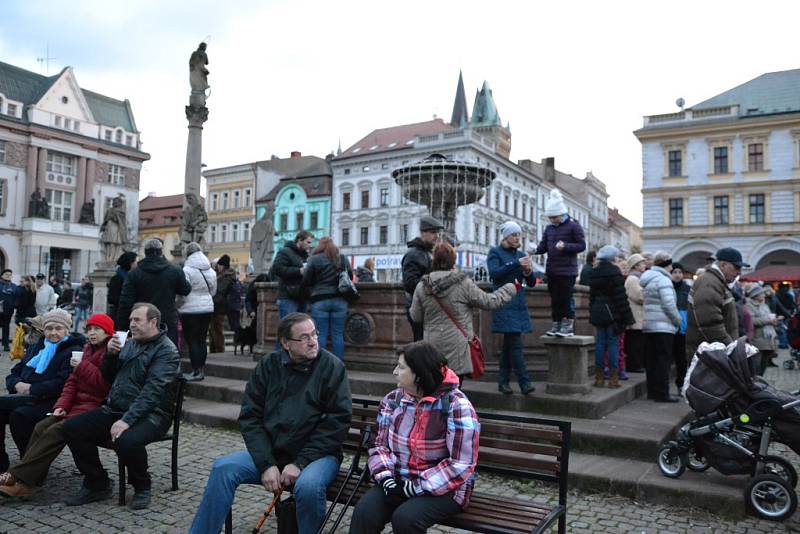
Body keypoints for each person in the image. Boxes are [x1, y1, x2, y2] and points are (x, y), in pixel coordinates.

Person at [188, 313, 352, 534]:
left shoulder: (332, 367)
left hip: (318, 456)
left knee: (308, 486)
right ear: (285, 343)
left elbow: (337, 423)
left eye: (314, 334)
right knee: (223, 468)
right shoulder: (268, 365)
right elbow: (250, 417)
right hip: (273, 452)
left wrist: (300, 462)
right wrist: (266, 464)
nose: (313, 341)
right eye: (303, 337)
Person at [349, 341, 480, 534]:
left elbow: (461, 464)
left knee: (406, 519)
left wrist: (417, 487)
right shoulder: (393, 400)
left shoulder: (456, 405)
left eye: (401, 367)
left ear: (419, 373)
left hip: (447, 488)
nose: (395, 372)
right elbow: (378, 446)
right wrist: (386, 479)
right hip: (398, 480)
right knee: (364, 513)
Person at [62, 303, 180, 510]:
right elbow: (109, 377)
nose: (131, 324)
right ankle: (97, 482)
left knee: (127, 440)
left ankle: (142, 485)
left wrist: (126, 420)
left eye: (137, 320)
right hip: (116, 407)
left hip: (153, 414)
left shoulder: (167, 351)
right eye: (130, 320)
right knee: (72, 427)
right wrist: (110, 355)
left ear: (153, 322)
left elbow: (152, 393)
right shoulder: (130, 343)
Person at [0, 313, 114, 497]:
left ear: (108, 332)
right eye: (90, 329)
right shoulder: (84, 349)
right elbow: (71, 383)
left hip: (91, 407)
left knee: (40, 424)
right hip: (70, 404)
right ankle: (29, 479)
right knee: (40, 427)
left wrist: (81, 367)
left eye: (97, 329)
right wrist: (62, 405)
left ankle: (18, 477)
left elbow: (103, 385)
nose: (92, 333)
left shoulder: (106, 354)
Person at [410, 241, 517, 382]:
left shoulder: (422, 286)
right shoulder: (463, 283)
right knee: (454, 388)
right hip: (458, 347)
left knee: (434, 388)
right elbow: (489, 301)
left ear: (434, 260)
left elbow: (416, 317)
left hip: (432, 346)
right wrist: (510, 288)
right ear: (453, 260)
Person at [1, 309, 85, 472]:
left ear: (67, 330)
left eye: (58, 328)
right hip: (25, 396)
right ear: (43, 330)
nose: (53, 333)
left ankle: (29, 464)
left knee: (19, 416)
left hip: (52, 401)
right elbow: (15, 372)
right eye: (49, 328)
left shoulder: (71, 351)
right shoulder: (38, 347)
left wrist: (33, 388)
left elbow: (61, 382)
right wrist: (17, 385)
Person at [487, 221, 537, 395]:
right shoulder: (495, 252)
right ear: (505, 236)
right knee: (515, 345)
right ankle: (525, 383)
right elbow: (494, 273)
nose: (517, 238)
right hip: (503, 303)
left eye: (518, 235)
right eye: (513, 235)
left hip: (519, 304)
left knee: (509, 346)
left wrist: (529, 272)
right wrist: (516, 264)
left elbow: (531, 283)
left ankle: (503, 382)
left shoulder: (521, 254)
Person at [117, 239, 191, 346]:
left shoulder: (134, 273)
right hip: (167, 319)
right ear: (161, 252)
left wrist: (123, 328)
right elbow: (185, 290)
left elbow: (125, 302)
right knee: (168, 353)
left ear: (145, 252)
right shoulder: (175, 270)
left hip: (142, 320)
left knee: (143, 354)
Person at [533, 189, 586, 337]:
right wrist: (534, 251)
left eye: (553, 217)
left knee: (565, 298)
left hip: (567, 271)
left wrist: (566, 246)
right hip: (552, 270)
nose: (551, 220)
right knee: (555, 299)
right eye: (550, 217)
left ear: (561, 214)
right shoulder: (549, 228)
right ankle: (556, 324)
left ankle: (567, 326)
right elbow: (544, 247)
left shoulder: (574, 226)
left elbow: (582, 246)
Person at [686, 247, 748, 362]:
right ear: (723, 265)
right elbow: (710, 324)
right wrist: (730, 347)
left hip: (713, 353)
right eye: (736, 267)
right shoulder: (710, 282)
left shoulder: (716, 281)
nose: (739, 272)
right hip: (710, 355)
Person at [588, 246, 634, 388]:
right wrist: (628, 318)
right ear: (613, 258)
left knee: (600, 344)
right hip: (613, 313)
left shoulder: (594, 272)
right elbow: (621, 298)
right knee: (613, 344)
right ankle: (613, 380)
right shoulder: (615, 273)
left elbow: (592, 296)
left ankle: (599, 378)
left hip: (598, 312)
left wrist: (592, 311)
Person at [302, 237, 354, 360]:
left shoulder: (314, 259)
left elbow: (306, 280)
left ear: (320, 246)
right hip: (340, 300)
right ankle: (338, 365)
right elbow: (350, 276)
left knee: (320, 334)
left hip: (320, 300)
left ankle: (320, 364)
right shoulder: (342, 258)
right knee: (337, 334)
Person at [640, 251, 682, 402]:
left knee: (651, 361)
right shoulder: (663, 280)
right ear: (667, 265)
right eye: (671, 265)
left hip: (649, 324)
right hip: (663, 326)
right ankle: (662, 393)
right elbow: (669, 304)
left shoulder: (648, 279)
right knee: (663, 361)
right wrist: (678, 320)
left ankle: (653, 392)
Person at [178, 242, 217, 381]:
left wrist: (180, 305)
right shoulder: (211, 270)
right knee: (202, 340)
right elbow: (213, 291)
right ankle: (201, 369)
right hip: (207, 308)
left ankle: (196, 371)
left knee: (192, 341)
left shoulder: (187, 270)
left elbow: (184, 292)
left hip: (190, 309)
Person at [402, 215, 444, 341]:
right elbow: (409, 284)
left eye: (437, 232)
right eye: (432, 232)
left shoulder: (428, 253)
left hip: (427, 307)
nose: (436, 236)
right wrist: (434, 282)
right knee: (423, 346)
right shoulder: (414, 254)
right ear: (422, 233)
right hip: (419, 308)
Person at [272, 231, 314, 319]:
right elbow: (277, 269)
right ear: (300, 240)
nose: (309, 245)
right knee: (288, 327)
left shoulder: (305, 255)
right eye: (308, 242)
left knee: (300, 328)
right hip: (287, 296)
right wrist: (299, 271)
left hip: (302, 296)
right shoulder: (285, 252)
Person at [746, 285, 779, 375]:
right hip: (757, 339)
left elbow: (768, 317)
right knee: (756, 365)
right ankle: (755, 385)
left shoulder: (764, 305)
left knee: (764, 364)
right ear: (756, 295)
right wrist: (768, 321)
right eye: (762, 294)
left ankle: (760, 383)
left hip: (768, 339)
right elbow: (751, 321)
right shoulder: (749, 306)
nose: (764, 295)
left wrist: (775, 320)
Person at [209, 254, 237, 353]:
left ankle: (220, 350)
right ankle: (213, 350)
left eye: (220, 265)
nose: (218, 267)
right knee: (212, 330)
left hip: (219, 306)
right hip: (216, 305)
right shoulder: (222, 275)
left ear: (224, 266)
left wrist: (211, 301)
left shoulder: (227, 276)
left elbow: (220, 291)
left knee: (217, 329)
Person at [624, 254, 647, 373]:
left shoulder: (637, 278)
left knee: (638, 342)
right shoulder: (633, 279)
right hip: (635, 316)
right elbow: (639, 296)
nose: (644, 265)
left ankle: (637, 364)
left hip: (638, 316)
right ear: (636, 265)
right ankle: (634, 365)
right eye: (642, 263)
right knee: (635, 343)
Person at [670, 262, 691, 392]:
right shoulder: (667, 287)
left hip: (683, 328)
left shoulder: (687, 288)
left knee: (681, 358)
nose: (677, 275)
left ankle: (681, 383)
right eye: (675, 272)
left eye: (680, 272)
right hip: (670, 326)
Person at [107, 251, 137, 328]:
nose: (137, 264)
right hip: (119, 315)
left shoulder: (132, 277)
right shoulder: (117, 278)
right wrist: (128, 300)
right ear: (130, 263)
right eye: (135, 261)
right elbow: (111, 298)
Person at [0, 269, 18, 351]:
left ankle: (6, 344)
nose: (8, 276)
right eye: (6, 274)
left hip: (8, 310)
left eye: (10, 275)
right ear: (2, 275)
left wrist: (14, 305)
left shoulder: (13, 286)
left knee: (6, 326)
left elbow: (16, 297)